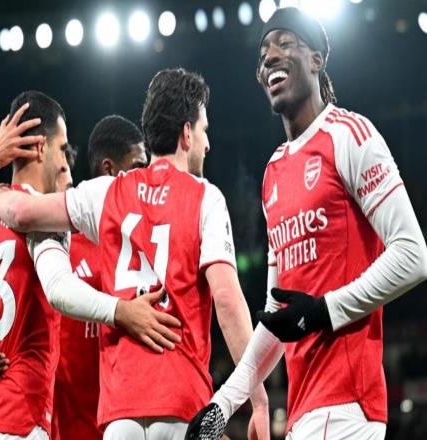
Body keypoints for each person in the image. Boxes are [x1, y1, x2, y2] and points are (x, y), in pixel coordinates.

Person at [185, 7, 427, 440]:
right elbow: (279, 317)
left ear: (316, 59)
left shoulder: (350, 134)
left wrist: (322, 311)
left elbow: (413, 255)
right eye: (263, 52)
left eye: (285, 43)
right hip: (302, 411)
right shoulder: (273, 173)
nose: (270, 57)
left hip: (349, 405)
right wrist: (222, 405)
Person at [0, 68, 269, 440]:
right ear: (187, 134)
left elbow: (22, 213)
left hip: (120, 412)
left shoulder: (107, 192)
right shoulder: (206, 197)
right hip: (181, 401)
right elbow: (228, 301)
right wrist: (257, 397)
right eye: (204, 130)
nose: (207, 144)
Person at [0, 91, 179, 440]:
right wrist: (122, 311)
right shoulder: (45, 227)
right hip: (31, 422)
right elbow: (58, 290)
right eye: (63, 150)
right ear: (42, 149)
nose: (67, 165)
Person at [53, 115, 148, 440]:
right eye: (137, 167)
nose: (145, 178)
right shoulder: (60, 247)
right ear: (109, 171)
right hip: (67, 431)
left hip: (130, 426)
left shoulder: (146, 248)